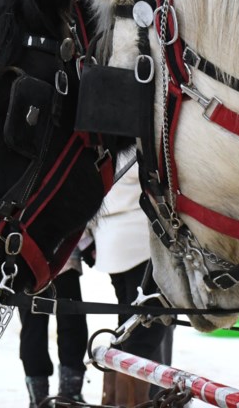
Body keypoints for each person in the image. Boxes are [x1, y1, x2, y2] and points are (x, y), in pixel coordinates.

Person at [87, 168, 173, 406]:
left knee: (127, 324)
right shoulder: (131, 150)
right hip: (139, 240)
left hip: (109, 238)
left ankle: (116, 400)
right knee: (146, 330)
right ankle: (130, 402)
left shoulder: (104, 149)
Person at [18, 248, 87, 408]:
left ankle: (41, 398)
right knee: (71, 324)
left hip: (26, 261)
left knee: (33, 328)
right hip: (59, 258)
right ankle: (68, 395)